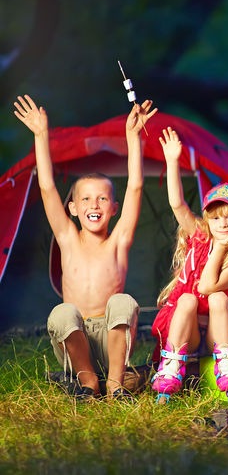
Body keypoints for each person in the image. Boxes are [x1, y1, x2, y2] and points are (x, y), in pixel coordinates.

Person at [13, 94, 156, 399]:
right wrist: (41, 136)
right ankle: (88, 381)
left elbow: (135, 186)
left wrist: (133, 138)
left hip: (112, 340)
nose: (94, 204)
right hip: (74, 342)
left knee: (124, 302)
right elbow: (47, 186)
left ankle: (116, 382)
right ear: (73, 208)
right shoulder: (67, 238)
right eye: (86, 199)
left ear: (114, 208)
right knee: (63, 312)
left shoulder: (118, 241)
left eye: (103, 198)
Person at [151, 128, 228, 403]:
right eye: (216, 218)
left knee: (219, 298)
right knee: (187, 299)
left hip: (215, 330)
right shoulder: (199, 236)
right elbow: (177, 204)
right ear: (207, 222)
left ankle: (225, 362)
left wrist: (223, 248)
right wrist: (173, 161)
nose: (223, 224)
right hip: (184, 325)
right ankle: (172, 365)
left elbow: (208, 285)